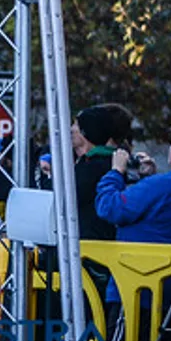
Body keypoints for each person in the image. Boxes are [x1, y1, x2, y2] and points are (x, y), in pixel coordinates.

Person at [68, 103, 128, 241]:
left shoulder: (98, 165)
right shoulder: (91, 162)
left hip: (90, 243)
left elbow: (68, 196)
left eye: (76, 125)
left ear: (85, 132)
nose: (71, 129)